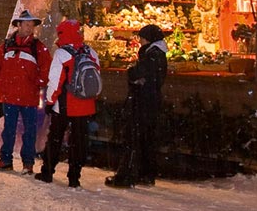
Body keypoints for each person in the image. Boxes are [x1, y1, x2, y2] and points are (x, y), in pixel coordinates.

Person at [39, 19, 98, 187]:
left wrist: (50, 102)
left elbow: (55, 81)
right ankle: (74, 177)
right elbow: (94, 79)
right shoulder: (90, 52)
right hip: (85, 104)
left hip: (65, 104)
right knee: (79, 141)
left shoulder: (62, 54)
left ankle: (47, 172)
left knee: (55, 138)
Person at [107, 23, 168, 188]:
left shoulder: (151, 55)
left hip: (142, 102)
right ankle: (145, 173)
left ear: (147, 39)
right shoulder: (158, 54)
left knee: (133, 138)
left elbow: (137, 73)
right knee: (146, 138)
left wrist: (133, 73)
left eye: (141, 38)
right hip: (151, 101)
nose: (139, 41)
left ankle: (127, 175)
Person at [0, 11, 50, 173]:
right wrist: (1, 85)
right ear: (18, 25)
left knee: (29, 132)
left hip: (29, 97)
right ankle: (5, 160)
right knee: (8, 130)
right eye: (26, 24)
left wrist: (37, 83)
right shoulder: (6, 45)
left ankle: (27, 163)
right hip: (10, 96)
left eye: (32, 25)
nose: (30, 28)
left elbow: (46, 70)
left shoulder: (38, 48)